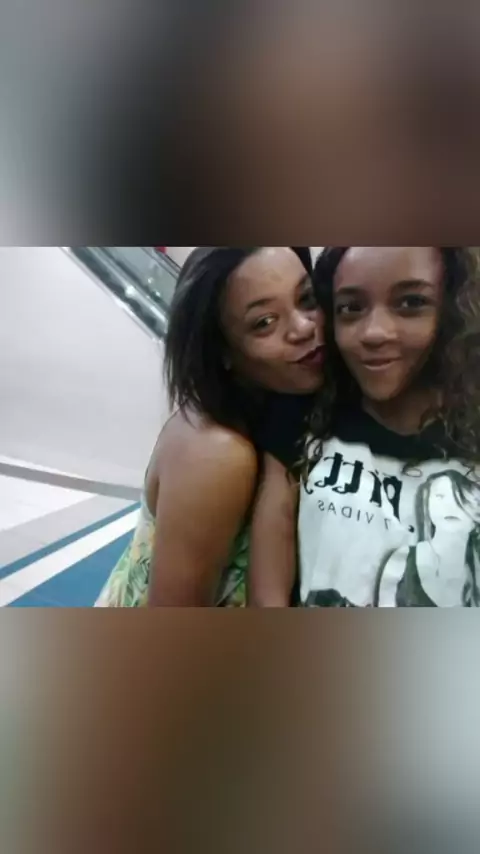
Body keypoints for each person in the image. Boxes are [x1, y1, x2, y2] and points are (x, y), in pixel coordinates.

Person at [250, 247, 480, 607]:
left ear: (451, 308)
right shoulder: (303, 414)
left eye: (411, 303)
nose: (374, 333)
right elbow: (268, 596)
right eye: (351, 308)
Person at [95, 246, 324, 607]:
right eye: (264, 322)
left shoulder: (287, 406)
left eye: (307, 299)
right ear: (223, 352)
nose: (304, 327)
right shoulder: (218, 453)